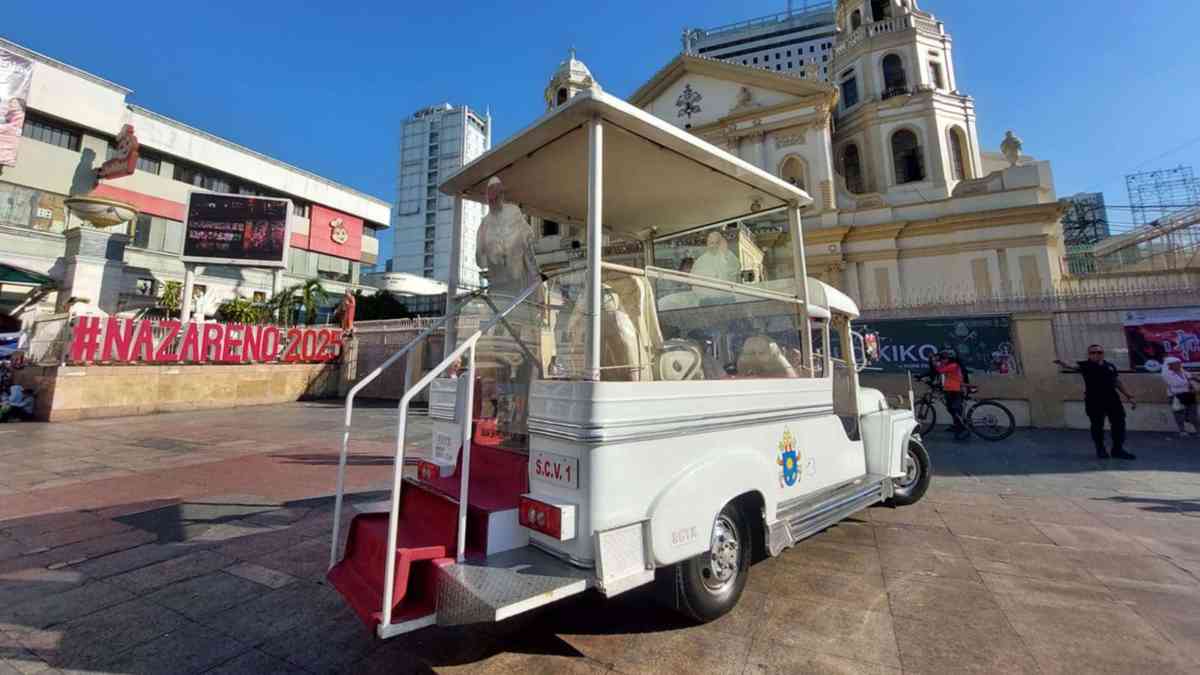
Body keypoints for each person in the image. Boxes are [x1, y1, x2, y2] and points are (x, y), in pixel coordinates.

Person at [1056, 346, 1137, 459]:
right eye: (1093, 352)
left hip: (1112, 400)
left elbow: (1116, 382)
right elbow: (1072, 368)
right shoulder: (1085, 365)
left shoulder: (1110, 366)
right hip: (1094, 400)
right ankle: (1100, 449)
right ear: (1089, 354)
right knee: (1097, 425)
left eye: (1099, 352)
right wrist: (1063, 364)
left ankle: (1117, 450)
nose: (1096, 354)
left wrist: (1129, 396)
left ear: (1103, 353)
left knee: (1119, 424)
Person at [931, 349, 969, 440]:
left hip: (956, 390)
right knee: (950, 409)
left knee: (955, 409)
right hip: (950, 390)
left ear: (950, 359)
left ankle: (964, 430)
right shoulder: (949, 365)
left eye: (944, 359)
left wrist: (934, 361)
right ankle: (958, 427)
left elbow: (940, 370)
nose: (942, 360)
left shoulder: (954, 365)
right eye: (942, 359)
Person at [1161, 357, 1199, 437]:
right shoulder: (1166, 374)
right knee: (1179, 414)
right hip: (1177, 397)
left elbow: (1192, 377)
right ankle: (1182, 431)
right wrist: (1189, 381)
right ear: (1169, 366)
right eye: (1176, 363)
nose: (1178, 365)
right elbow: (1176, 383)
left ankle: (1198, 431)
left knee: (1193, 414)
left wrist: (1194, 379)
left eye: (1179, 363)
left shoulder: (1183, 371)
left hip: (1189, 395)